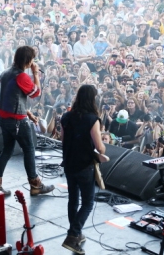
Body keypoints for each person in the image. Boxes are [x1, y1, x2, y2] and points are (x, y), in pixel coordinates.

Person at [0, 46, 55, 196]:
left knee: (7, 149)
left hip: (4, 118)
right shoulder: (22, 76)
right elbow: (36, 93)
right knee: (29, 149)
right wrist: (36, 74)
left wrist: (29, 114)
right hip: (17, 121)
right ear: (28, 60)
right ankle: (35, 184)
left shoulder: (5, 73)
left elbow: (12, 97)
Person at [60, 84, 106, 254]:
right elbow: (100, 147)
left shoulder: (66, 116)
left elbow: (63, 141)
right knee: (87, 202)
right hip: (84, 166)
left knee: (73, 199)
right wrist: (103, 151)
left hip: (69, 163)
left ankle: (76, 233)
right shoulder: (92, 119)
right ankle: (73, 235)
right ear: (93, 99)